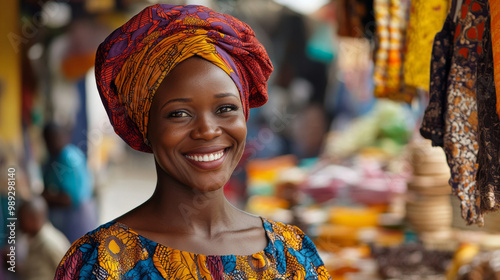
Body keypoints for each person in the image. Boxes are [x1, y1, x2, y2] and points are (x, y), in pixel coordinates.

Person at [54, 4, 332, 279]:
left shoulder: (291, 255)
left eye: (225, 108)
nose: (208, 130)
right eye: (179, 114)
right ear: (144, 125)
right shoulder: (100, 263)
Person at [42, 122, 97, 243]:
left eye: (53, 138)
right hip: (72, 214)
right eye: (47, 140)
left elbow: (68, 199)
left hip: (77, 215)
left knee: (77, 252)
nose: (50, 143)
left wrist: (45, 197)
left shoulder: (66, 157)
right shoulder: (55, 157)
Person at [18, 196, 71, 280]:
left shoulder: (50, 243)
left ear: (34, 219)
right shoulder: (33, 238)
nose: (19, 223)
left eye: (21, 218)